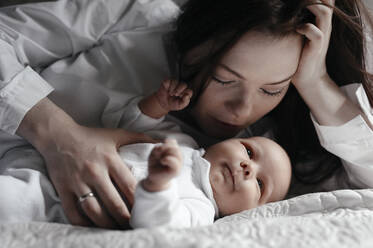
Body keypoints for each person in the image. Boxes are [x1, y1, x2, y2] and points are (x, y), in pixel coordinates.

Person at [0, 0, 372, 229]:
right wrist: (56, 133)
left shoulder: (272, 144)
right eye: (224, 78)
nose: (242, 110)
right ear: (193, 41)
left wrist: (315, 83)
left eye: (271, 89)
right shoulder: (139, 13)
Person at [117, 79, 291, 228]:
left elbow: (161, 225)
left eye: (260, 184)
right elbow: (130, 125)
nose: (248, 168)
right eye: (248, 152)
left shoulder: (201, 210)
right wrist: (158, 104)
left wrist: (159, 185)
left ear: (253, 211)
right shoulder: (182, 140)